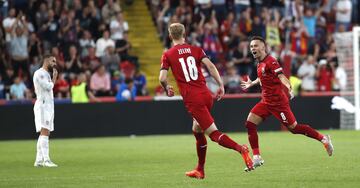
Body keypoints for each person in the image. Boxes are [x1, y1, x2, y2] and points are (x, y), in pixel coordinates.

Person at [159, 23, 254, 179]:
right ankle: (200, 170)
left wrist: (166, 87)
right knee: (197, 130)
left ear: (170, 36)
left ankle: (241, 149)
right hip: (206, 94)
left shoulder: (168, 54)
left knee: (214, 134)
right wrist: (220, 84)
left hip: (193, 99)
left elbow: (162, 78)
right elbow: (210, 66)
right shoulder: (196, 49)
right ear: (185, 34)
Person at [240, 36, 334, 171]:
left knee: (294, 129)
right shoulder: (260, 63)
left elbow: (281, 76)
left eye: (255, 46)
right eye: (251, 47)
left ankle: (323, 139)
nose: (252, 48)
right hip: (266, 102)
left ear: (263, 47)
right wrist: (252, 83)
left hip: (278, 103)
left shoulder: (271, 61)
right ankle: (257, 157)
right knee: (249, 124)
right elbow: (263, 77)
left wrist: (289, 87)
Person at [33, 55, 58, 167]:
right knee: (45, 132)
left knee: (44, 132)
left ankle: (38, 160)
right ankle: (46, 160)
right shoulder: (39, 73)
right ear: (46, 60)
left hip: (48, 106)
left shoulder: (47, 74)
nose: (54, 63)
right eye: (53, 61)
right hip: (43, 105)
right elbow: (48, 87)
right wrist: (54, 79)